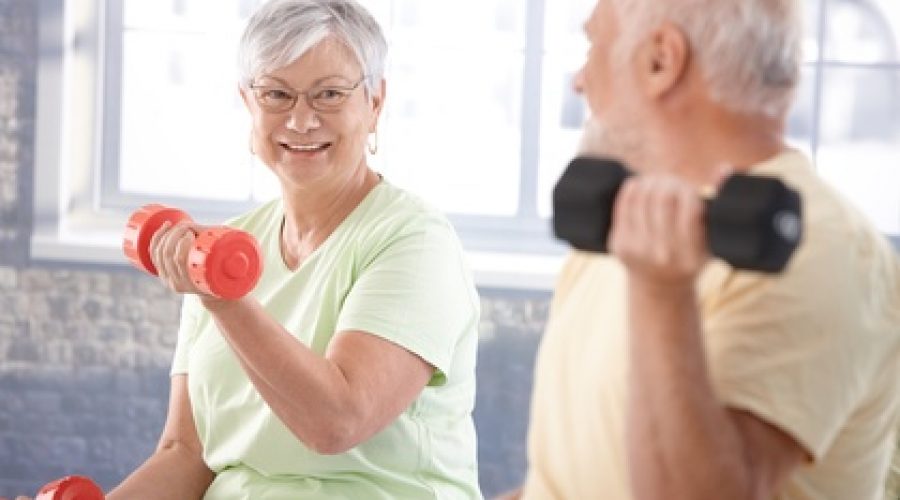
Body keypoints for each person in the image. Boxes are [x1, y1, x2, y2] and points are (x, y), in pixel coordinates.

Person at [30, 1, 481, 498]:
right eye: (277, 95)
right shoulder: (227, 246)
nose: (302, 120)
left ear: (375, 102)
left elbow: (336, 423)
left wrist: (225, 300)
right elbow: (185, 455)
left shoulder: (413, 241)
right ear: (249, 103)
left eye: (330, 94)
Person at [499, 0, 900, 499]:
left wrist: (662, 293)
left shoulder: (820, 247)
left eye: (593, 45)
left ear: (660, 61)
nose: (579, 81)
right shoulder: (626, 224)